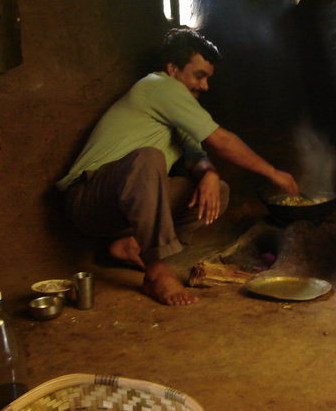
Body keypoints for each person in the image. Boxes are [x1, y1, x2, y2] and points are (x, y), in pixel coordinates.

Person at [57, 28, 299, 306]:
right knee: (149, 159)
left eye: (208, 78)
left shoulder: (176, 108)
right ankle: (156, 273)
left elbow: (196, 152)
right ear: (173, 69)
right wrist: (273, 172)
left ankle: (131, 246)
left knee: (217, 191)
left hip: (122, 208)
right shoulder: (158, 86)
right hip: (88, 199)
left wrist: (209, 172)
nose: (205, 86)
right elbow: (220, 140)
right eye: (199, 75)